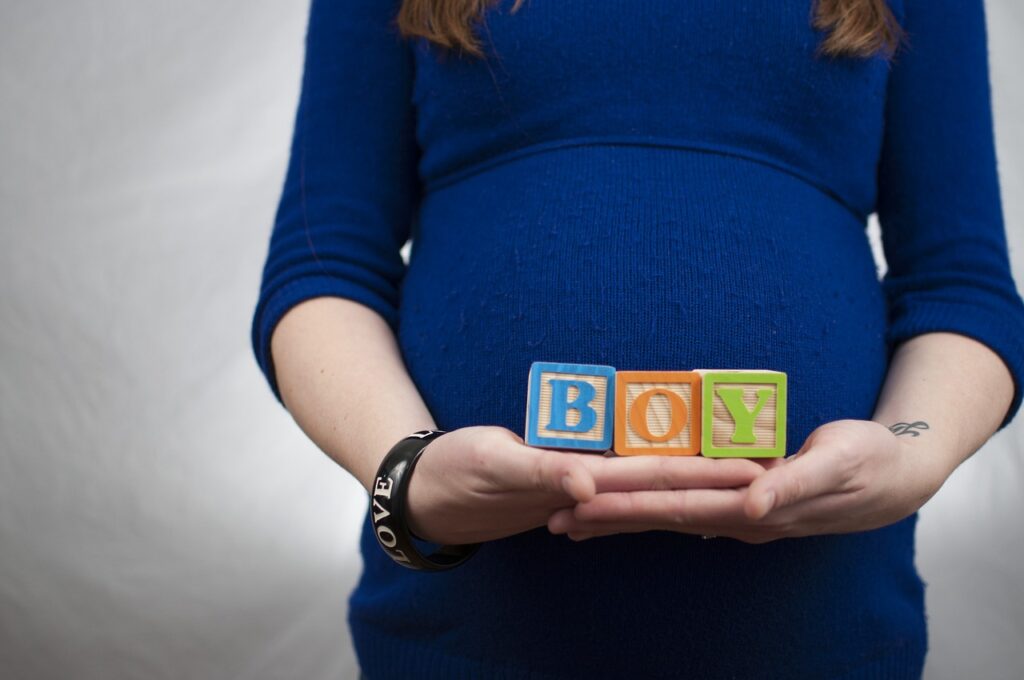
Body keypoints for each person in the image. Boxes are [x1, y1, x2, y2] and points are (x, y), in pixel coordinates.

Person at [250, 0, 1024, 677]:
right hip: (468, 633)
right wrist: (406, 476)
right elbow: (325, 268)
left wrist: (910, 454)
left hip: (816, 631)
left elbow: (962, 285)